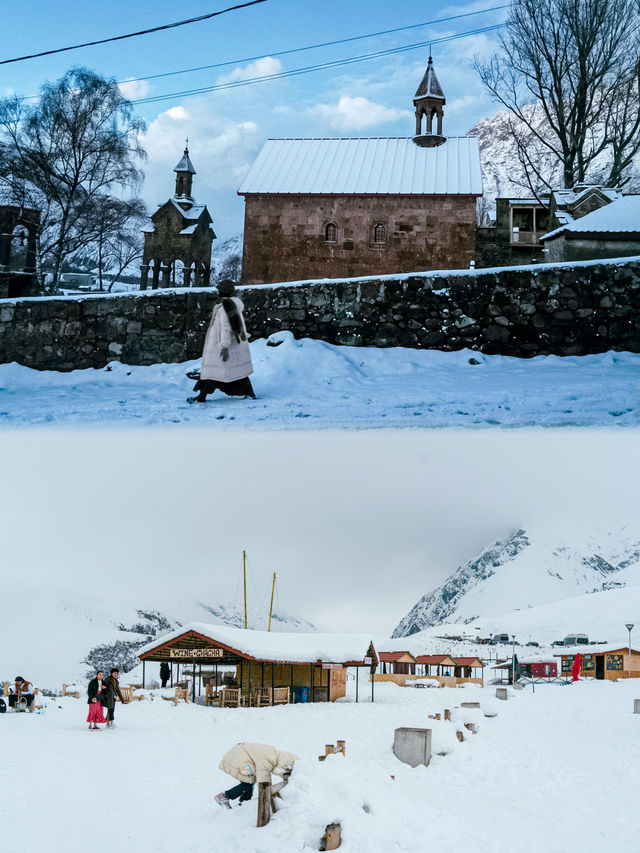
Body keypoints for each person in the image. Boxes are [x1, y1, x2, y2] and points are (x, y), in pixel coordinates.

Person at [188, 279, 255, 403]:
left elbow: (226, 327)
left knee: (211, 370)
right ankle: (249, 393)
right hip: (233, 343)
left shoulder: (226, 306)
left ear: (222, 292)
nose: (217, 292)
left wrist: (224, 346)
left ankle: (202, 397)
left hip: (220, 344)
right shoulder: (232, 304)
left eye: (219, 290)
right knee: (233, 370)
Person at [214, 742, 299, 809]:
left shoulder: (273, 754)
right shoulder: (270, 759)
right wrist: (266, 794)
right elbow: (263, 779)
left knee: (250, 780)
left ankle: (243, 803)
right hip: (239, 758)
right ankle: (224, 797)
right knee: (249, 782)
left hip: (239, 754)